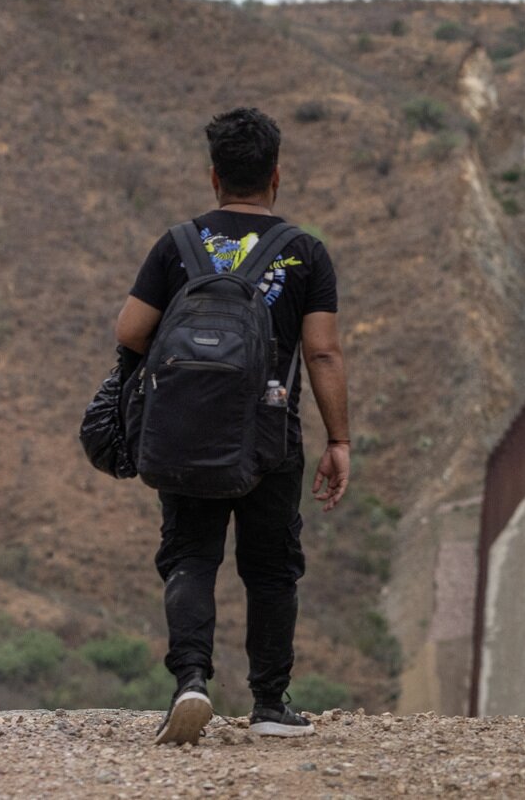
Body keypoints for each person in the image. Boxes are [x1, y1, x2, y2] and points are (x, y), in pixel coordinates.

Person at [115, 107, 349, 744]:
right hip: (270, 437)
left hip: (187, 431)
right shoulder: (304, 254)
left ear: (213, 175)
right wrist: (339, 440)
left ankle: (191, 680)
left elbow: (131, 332)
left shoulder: (177, 245)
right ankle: (271, 704)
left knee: (190, 557)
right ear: (276, 176)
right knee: (271, 569)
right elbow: (323, 352)